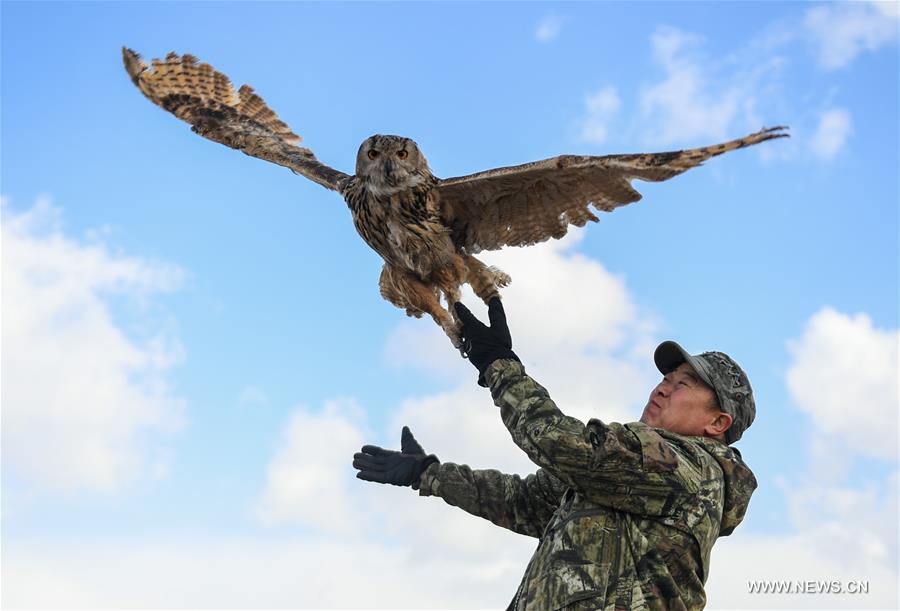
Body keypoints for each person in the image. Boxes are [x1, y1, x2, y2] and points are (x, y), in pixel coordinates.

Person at [352, 298, 757, 610]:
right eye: (666, 378)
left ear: (718, 424)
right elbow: (524, 501)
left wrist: (499, 365)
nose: (663, 387)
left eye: (683, 383)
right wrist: (427, 473)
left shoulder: (691, 468)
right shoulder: (628, 477)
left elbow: (560, 444)